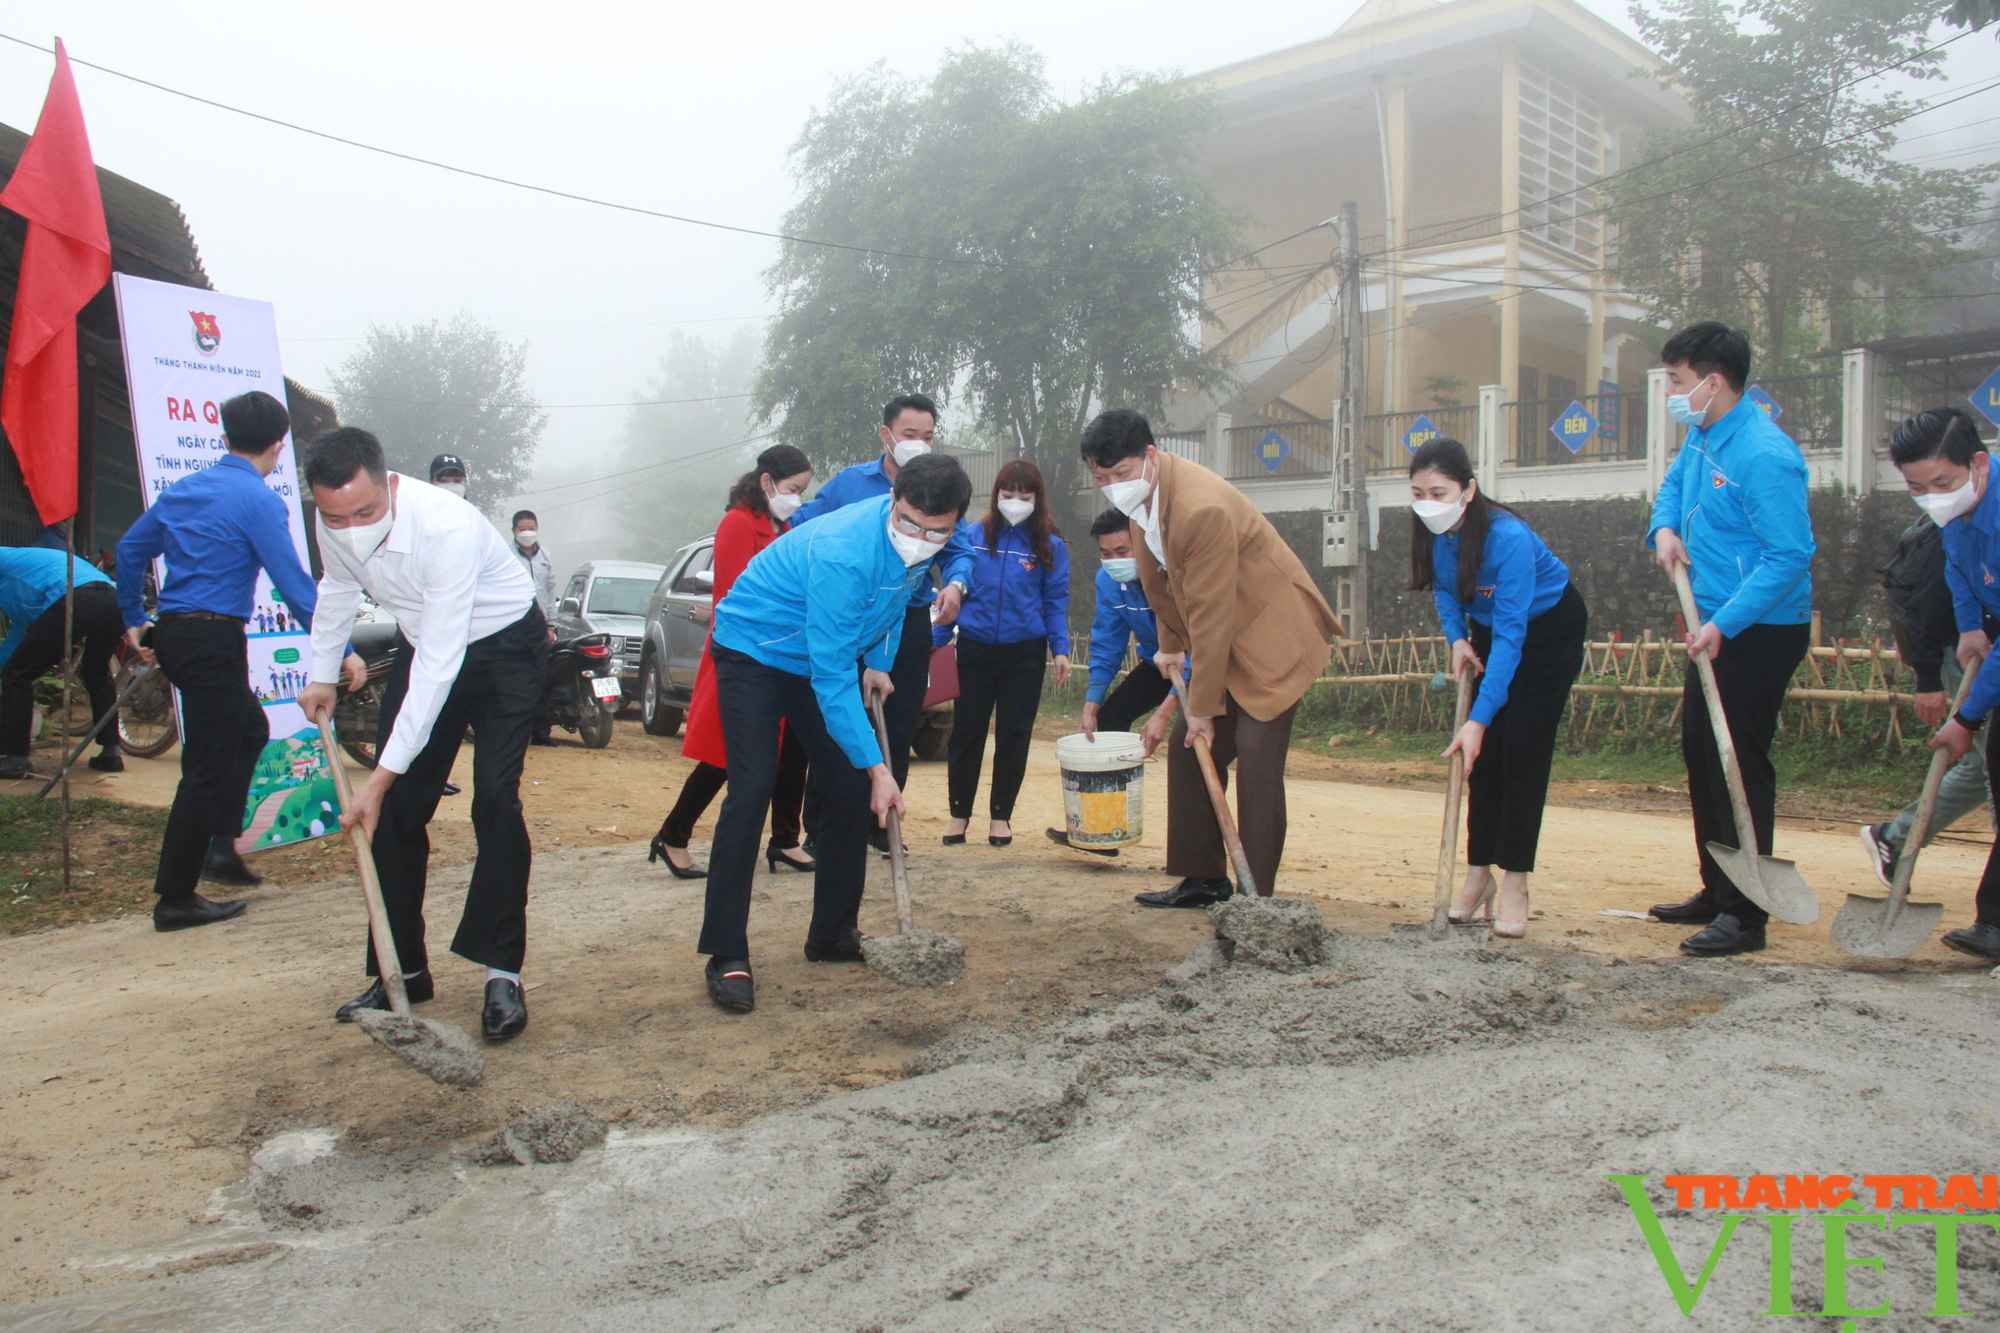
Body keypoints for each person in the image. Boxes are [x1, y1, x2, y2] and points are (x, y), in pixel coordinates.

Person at [696, 453, 973, 1012]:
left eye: (936, 532)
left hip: (817, 651)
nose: (920, 539)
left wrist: (877, 660)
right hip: (756, 647)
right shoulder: (846, 549)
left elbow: (896, 603)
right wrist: (880, 770)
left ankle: (832, 933)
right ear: (893, 501)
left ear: (955, 522)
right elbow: (828, 678)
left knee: (845, 787)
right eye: (910, 524)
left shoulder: (923, 544)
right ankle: (726, 951)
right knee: (753, 788)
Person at [298, 428, 544, 1042]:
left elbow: (439, 667)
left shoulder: (446, 527)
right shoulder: (335, 520)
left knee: (493, 797)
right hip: (424, 639)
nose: (351, 527)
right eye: (335, 516)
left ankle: (501, 972)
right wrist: (323, 671)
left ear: (389, 483)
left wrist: (377, 776)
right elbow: (335, 589)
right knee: (400, 811)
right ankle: (399, 969)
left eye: (365, 512)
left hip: (503, 648)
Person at [115, 390, 365, 931]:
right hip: (211, 641)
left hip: (179, 638)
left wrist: (134, 615)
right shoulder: (258, 500)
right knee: (204, 770)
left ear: (224, 439)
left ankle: (220, 846)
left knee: (249, 730)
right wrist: (340, 649)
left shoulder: (184, 490)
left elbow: (132, 549)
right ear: (279, 446)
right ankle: (176, 897)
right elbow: (296, 586)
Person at [1079, 408, 1341, 907]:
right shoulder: (1144, 504)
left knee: (1257, 760)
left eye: (1122, 473)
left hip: (1271, 640)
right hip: (1227, 635)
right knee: (1189, 751)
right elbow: (1162, 586)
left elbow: (1211, 615)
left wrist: (1200, 709)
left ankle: (1255, 898)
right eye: (1101, 477)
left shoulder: (1200, 508)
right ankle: (1203, 879)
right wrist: (1169, 647)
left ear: (1150, 457)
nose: (1113, 485)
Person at [1645, 321, 1814, 957]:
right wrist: (1662, 529)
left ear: (1713, 382)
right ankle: (1718, 888)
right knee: (1701, 752)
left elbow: (1790, 557)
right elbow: (1668, 491)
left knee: (1738, 761)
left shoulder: (1765, 455)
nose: (1671, 391)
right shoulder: (1703, 437)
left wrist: (1723, 624)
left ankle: (1748, 915)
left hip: (1759, 629)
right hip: (1711, 622)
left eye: (1677, 380)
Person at [1409, 438, 1588, 939]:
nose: (1427, 502)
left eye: (1439, 491)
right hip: (1490, 628)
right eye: (1418, 492)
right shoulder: (1432, 530)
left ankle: (1515, 881)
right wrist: (1459, 638)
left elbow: (1513, 639)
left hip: (1547, 631)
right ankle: (1478, 874)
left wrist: (1478, 720)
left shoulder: (1508, 538)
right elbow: (1443, 588)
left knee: (1521, 750)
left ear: (1468, 490)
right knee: (1483, 765)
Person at [790, 394, 976, 848]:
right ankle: (822, 829)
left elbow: (960, 551)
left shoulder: (943, 489)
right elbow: (802, 527)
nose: (920, 444)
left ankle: (880, 824)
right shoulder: (849, 485)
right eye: (910, 435)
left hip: (909, 619)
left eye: (928, 436)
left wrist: (956, 585)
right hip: (847, 622)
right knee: (837, 716)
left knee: (899, 718)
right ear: (886, 435)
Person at [649, 445, 818, 878]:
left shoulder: (782, 527)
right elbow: (740, 597)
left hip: (784, 654)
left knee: (792, 750)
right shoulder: (738, 524)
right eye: (793, 489)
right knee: (725, 756)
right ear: (767, 483)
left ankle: (784, 839)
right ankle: (673, 835)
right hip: (744, 657)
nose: (797, 498)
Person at [1887, 407, 2000, 961]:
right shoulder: (1956, 513)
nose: (1931, 497)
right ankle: (1997, 925)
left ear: (1978, 463)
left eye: (1941, 483)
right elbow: (1957, 566)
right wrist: (1972, 624)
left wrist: (1966, 718)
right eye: (1915, 487)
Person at [936, 460, 1070, 847]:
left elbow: (1055, 602)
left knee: (1014, 734)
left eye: (1023, 496)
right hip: (974, 648)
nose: (1014, 502)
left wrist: (1060, 649)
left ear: (1036, 499)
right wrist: (940, 635)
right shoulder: (971, 536)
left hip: (1024, 654)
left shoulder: (1050, 547)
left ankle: (1001, 817)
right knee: (967, 731)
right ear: (995, 496)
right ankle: (958, 813)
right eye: (1006, 494)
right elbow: (953, 589)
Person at [1860, 503, 1990, 887]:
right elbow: (1927, 606)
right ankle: (1896, 839)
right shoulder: (1960, 522)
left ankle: (1896, 838)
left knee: (1983, 766)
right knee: (1990, 763)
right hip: (1966, 655)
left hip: (1979, 653)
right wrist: (1928, 678)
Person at [1045, 508, 1182, 857]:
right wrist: (1091, 706)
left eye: (1122, 552)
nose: (1113, 560)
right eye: (1106, 553)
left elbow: (1204, 646)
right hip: (1157, 664)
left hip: (1200, 663)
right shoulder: (1108, 582)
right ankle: (1102, 831)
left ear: (1144, 544)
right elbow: (1108, 644)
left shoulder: (1173, 577)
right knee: (1106, 725)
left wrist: (1164, 713)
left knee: (1188, 745)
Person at [0, 547, 124, 779]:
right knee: (96, 673)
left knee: (17, 675)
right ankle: (111, 753)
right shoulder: (21, 587)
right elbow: (21, 635)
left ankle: (16, 759)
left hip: (75, 596)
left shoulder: (4, 559)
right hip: (113, 599)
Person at [511, 510, 559, 745]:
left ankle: (540, 732)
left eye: (531, 527)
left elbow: (550, 592)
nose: (527, 532)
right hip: (511, 626)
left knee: (540, 679)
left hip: (539, 628)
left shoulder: (546, 557)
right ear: (514, 531)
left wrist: (550, 625)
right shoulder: (505, 555)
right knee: (512, 680)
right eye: (522, 529)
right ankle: (514, 732)